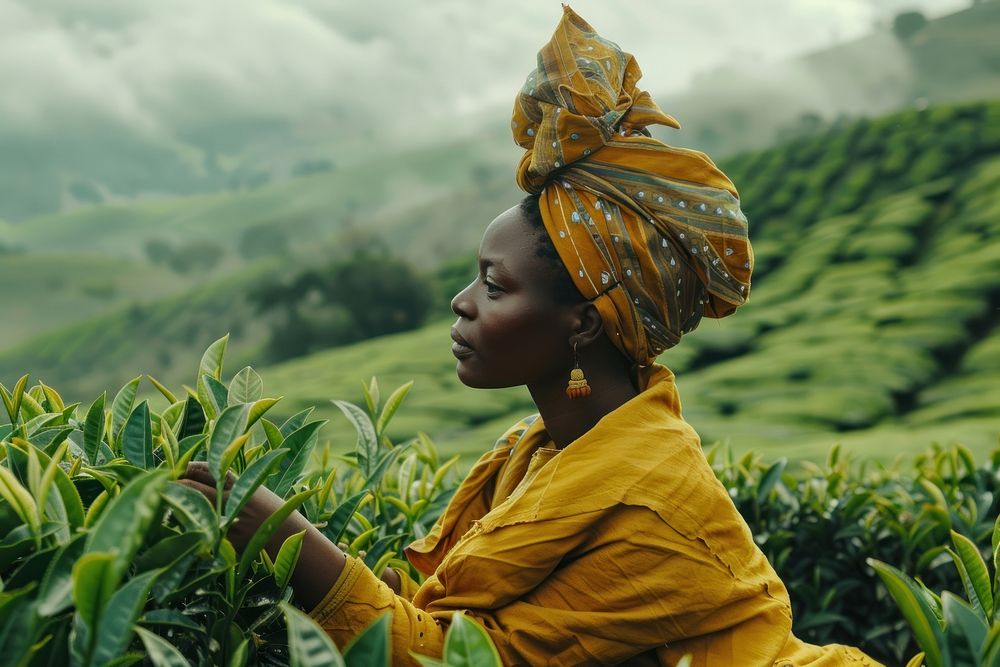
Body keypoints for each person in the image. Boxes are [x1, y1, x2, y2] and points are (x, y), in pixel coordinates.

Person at [183, 7, 884, 665]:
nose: (462, 304)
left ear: (582, 322)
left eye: (494, 285)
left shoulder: (649, 502)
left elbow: (459, 657)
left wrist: (291, 543)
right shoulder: (537, 451)